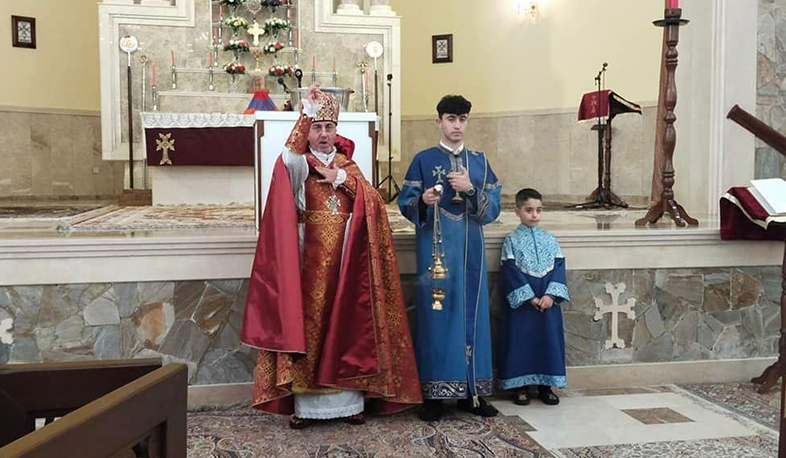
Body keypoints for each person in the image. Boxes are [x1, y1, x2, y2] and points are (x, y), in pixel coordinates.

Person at [241, 85, 421, 429]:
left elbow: (374, 205)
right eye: (317, 128)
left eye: (328, 127)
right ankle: (306, 407)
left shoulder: (347, 165)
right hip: (308, 268)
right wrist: (306, 112)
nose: (323, 135)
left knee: (347, 328)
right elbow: (288, 158)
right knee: (311, 330)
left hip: (346, 264)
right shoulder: (299, 166)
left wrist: (341, 179)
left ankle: (350, 403)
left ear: (337, 130)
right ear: (307, 131)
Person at [398, 94, 502, 422]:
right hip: (436, 251)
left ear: (467, 121)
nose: (456, 126)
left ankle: (472, 393)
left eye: (462, 119)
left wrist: (471, 190)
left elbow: (493, 209)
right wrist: (423, 200)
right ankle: (433, 395)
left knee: (472, 316)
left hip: (470, 250)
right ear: (439, 121)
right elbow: (406, 202)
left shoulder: (480, 163)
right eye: (450, 119)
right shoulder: (423, 160)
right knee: (436, 317)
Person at [497, 188, 570, 406]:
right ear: (517, 211)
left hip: (548, 302)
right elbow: (510, 270)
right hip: (524, 304)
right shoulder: (511, 240)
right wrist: (529, 298)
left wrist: (549, 296)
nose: (534, 215)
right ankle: (519, 386)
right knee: (521, 341)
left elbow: (559, 267)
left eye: (538, 210)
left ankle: (546, 386)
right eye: (529, 210)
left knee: (548, 340)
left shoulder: (550, 239)